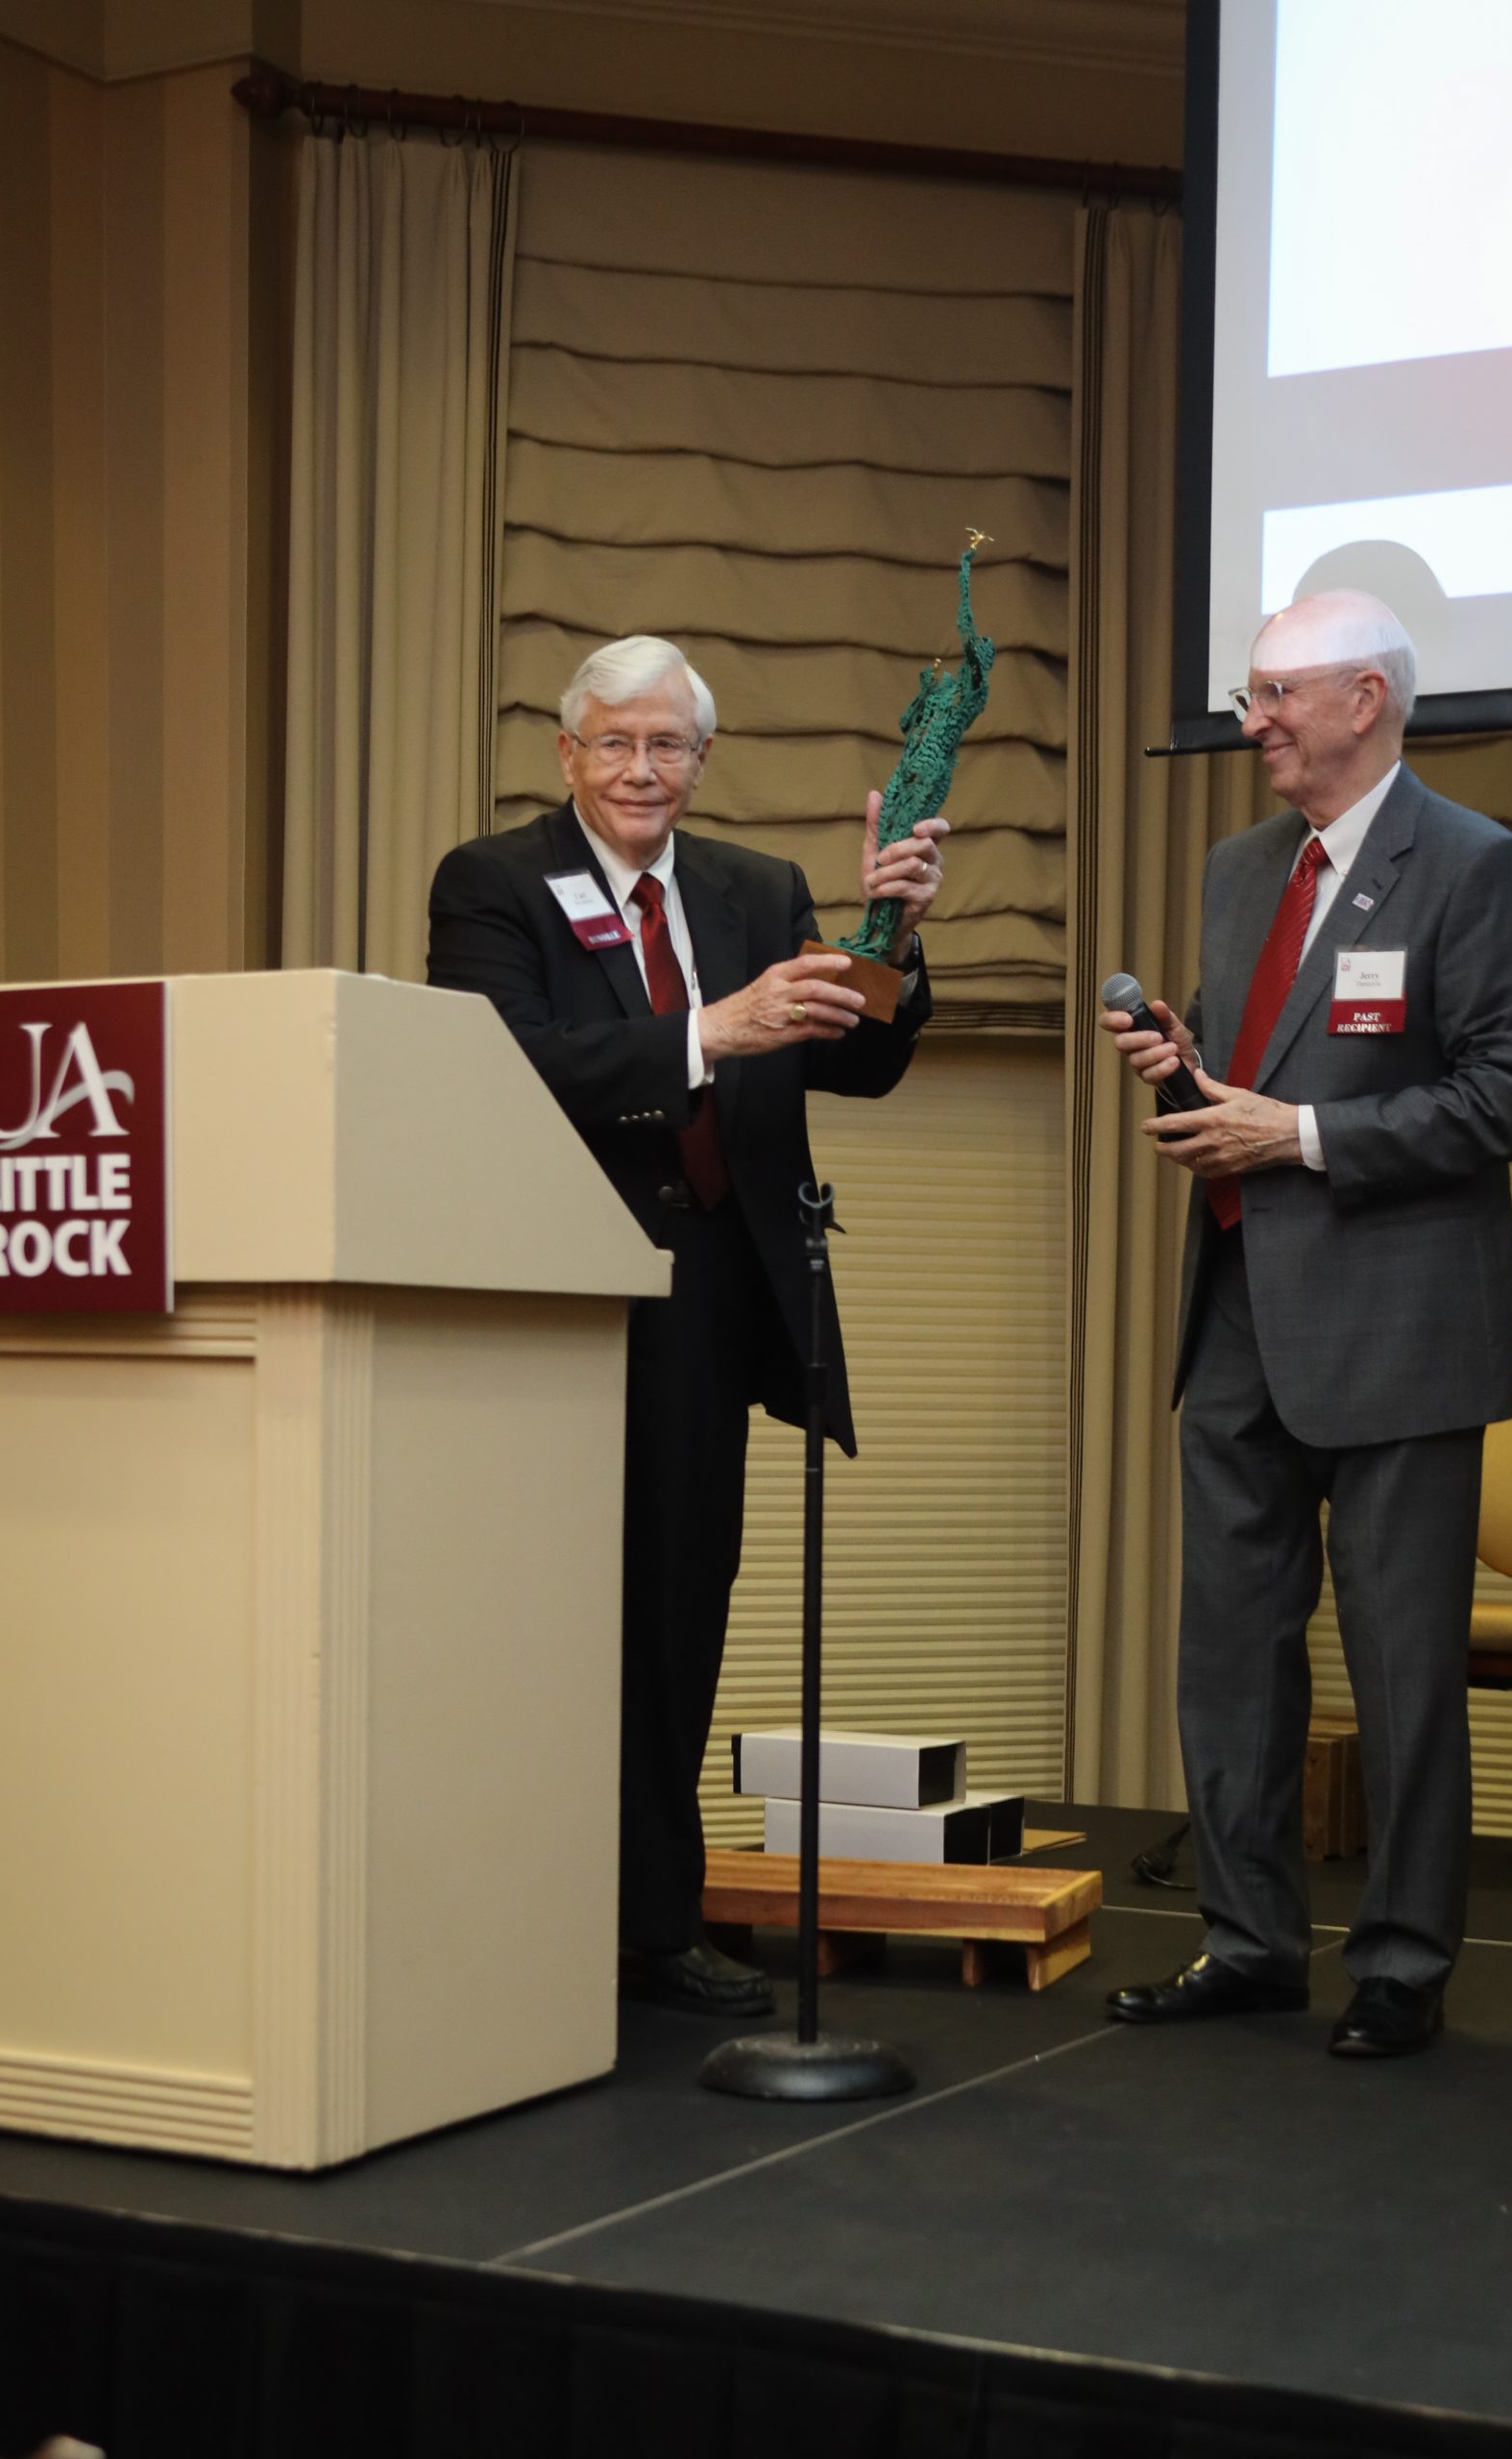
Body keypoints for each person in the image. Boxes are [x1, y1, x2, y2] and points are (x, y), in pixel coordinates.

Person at [427, 636, 942, 2015]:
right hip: (557, 1291)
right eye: (617, 743)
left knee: (679, 1606)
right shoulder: (495, 882)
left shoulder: (755, 888)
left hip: (715, 1296)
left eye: (669, 747)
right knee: (543, 1615)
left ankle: (653, 1921)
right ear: (568, 754)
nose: (643, 770)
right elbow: (506, 1061)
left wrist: (889, 930)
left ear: (702, 762)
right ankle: (525, 1902)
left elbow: (866, 1058)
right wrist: (716, 1028)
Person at [1099, 590, 1512, 2058]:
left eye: (1275, 695)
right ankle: (1247, 1942)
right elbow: (1260, 1068)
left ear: (1367, 698)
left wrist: (1294, 1135)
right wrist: (1183, 1068)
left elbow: (1511, 1094)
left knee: (1403, 1663)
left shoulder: (1478, 867)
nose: (1253, 723)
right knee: (1229, 1651)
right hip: (1237, 1303)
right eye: (1248, 696)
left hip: (1398, 1329)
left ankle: (1404, 1964)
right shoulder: (1243, 869)